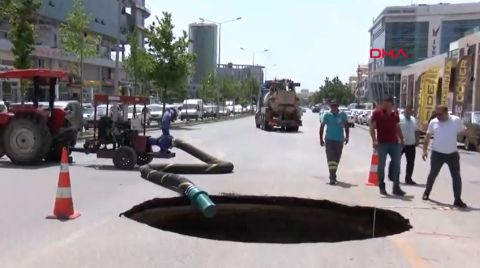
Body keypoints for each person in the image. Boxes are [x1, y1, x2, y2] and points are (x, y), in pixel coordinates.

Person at [422, 105, 480, 208]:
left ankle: (457, 199)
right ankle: (427, 192)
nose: (438, 116)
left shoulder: (455, 120)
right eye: (436, 114)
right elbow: (427, 137)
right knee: (432, 174)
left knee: (456, 177)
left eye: (440, 114)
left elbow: (466, 133)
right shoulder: (434, 122)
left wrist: (476, 144)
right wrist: (424, 150)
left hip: (452, 154)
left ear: (446, 113)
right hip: (437, 154)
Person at [370, 97, 406, 196]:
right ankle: (381, 184)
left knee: (397, 165)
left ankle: (396, 187)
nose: (384, 105)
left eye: (386, 103)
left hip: (394, 143)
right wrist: (374, 140)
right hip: (382, 143)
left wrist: (402, 139)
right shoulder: (377, 113)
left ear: (391, 104)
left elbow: (397, 127)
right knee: (381, 165)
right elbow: (372, 128)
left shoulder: (395, 114)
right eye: (383, 103)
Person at [319, 101, 349, 185]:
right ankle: (332, 177)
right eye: (332, 106)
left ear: (338, 106)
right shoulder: (327, 115)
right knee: (330, 158)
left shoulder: (342, 115)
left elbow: (346, 126)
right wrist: (321, 139)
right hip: (329, 140)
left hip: (339, 140)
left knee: (336, 159)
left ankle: (333, 174)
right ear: (330, 107)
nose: (333, 107)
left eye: (335, 106)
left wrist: (347, 137)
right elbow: (322, 127)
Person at [388, 105, 419, 185]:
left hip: (411, 144)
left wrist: (417, 140)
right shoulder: (399, 118)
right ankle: (391, 176)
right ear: (405, 110)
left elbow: (416, 131)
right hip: (399, 143)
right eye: (408, 110)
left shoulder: (413, 120)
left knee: (411, 162)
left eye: (411, 110)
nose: (410, 112)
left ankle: (408, 178)